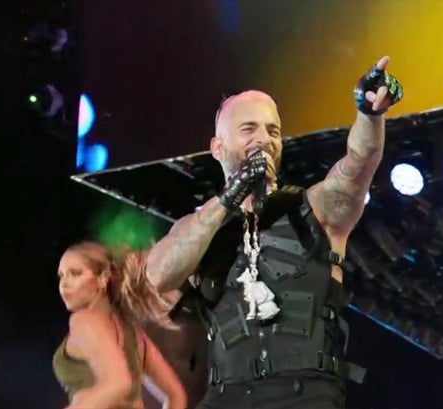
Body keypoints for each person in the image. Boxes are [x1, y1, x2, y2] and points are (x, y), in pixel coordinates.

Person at [146, 56, 403, 408]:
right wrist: (230, 197)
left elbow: (359, 164)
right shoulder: (198, 227)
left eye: (273, 131)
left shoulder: (316, 208)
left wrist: (370, 114)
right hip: (227, 397)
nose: (263, 140)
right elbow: (158, 275)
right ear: (217, 148)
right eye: (248, 129)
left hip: (305, 395)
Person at [53, 241, 187, 409]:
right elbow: (175, 395)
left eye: (75, 273)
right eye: (61, 275)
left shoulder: (84, 320)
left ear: (103, 278)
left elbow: (118, 383)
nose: (64, 284)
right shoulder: (134, 333)